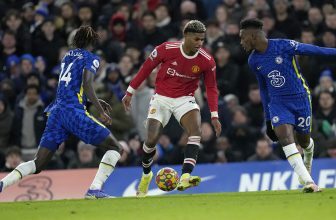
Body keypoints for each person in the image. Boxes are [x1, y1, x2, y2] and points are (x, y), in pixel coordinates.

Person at [0, 26, 123, 199]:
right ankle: (95, 189)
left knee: (38, 163)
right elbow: (87, 84)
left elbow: (69, 86)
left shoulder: (67, 56)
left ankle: (3, 183)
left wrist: (88, 99)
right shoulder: (91, 58)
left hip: (56, 112)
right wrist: (100, 110)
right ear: (92, 42)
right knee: (116, 147)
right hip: (72, 111)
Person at [122, 20, 222, 197]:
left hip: (185, 100)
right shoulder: (167, 49)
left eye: (202, 40)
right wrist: (130, 91)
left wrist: (214, 115)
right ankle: (146, 175)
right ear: (186, 36)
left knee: (195, 131)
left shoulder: (206, 60)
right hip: (161, 98)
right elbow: (146, 68)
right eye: (196, 39)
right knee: (151, 140)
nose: (200, 43)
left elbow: (212, 88)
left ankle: (185, 176)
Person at [239, 18, 336, 193]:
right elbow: (263, 89)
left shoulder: (283, 45)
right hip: (278, 102)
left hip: (300, 98)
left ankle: (308, 151)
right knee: (285, 138)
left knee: (304, 140)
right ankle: (309, 182)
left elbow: (314, 50)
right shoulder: (253, 61)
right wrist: (268, 119)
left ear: (252, 36)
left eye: (242, 38)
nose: (241, 42)